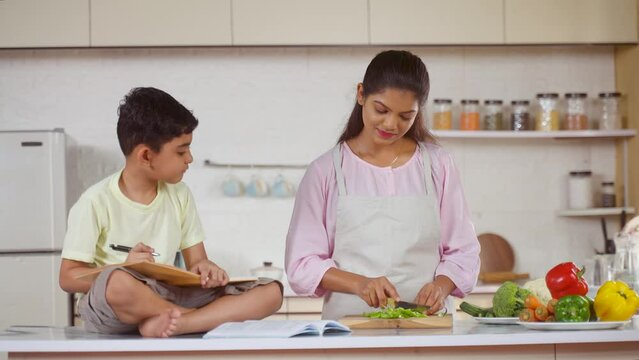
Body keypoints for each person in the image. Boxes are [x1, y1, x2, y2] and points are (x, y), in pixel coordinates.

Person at [59, 87, 283, 337]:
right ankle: (189, 318)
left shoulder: (180, 195)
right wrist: (123, 267)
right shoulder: (94, 201)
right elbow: (68, 278)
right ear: (146, 155)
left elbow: (197, 262)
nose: (190, 158)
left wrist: (207, 269)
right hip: (117, 306)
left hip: (166, 291)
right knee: (117, 282)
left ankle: (177, 322)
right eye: (181, 150)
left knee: (271, 291)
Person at [285, 50, 480, 320]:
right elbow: (302, 264)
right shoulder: (325, 171)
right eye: (381, 110)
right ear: (361, 94)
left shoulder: (438, 164)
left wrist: (441, 286)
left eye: (405, 116)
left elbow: (463, 249)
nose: (391, 124)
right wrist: (359, 283)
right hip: (349, 332)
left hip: (429, 330)